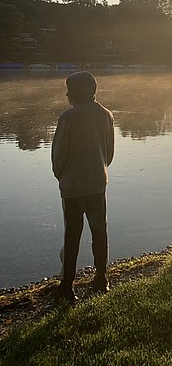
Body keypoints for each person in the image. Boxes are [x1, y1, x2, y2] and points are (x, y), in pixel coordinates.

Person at [52, 71, 114, 303]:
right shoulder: (106, 115)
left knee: (72, 236)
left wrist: (62, 177)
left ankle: (67, 288)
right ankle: (101, 279)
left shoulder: (68, 118)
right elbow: (109, 153)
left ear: (79, 91)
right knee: (100, 232)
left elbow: (59, 155)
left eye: (69, 89)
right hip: (97, 183)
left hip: (73, 187)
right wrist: (98, 169)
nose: (67, 94)